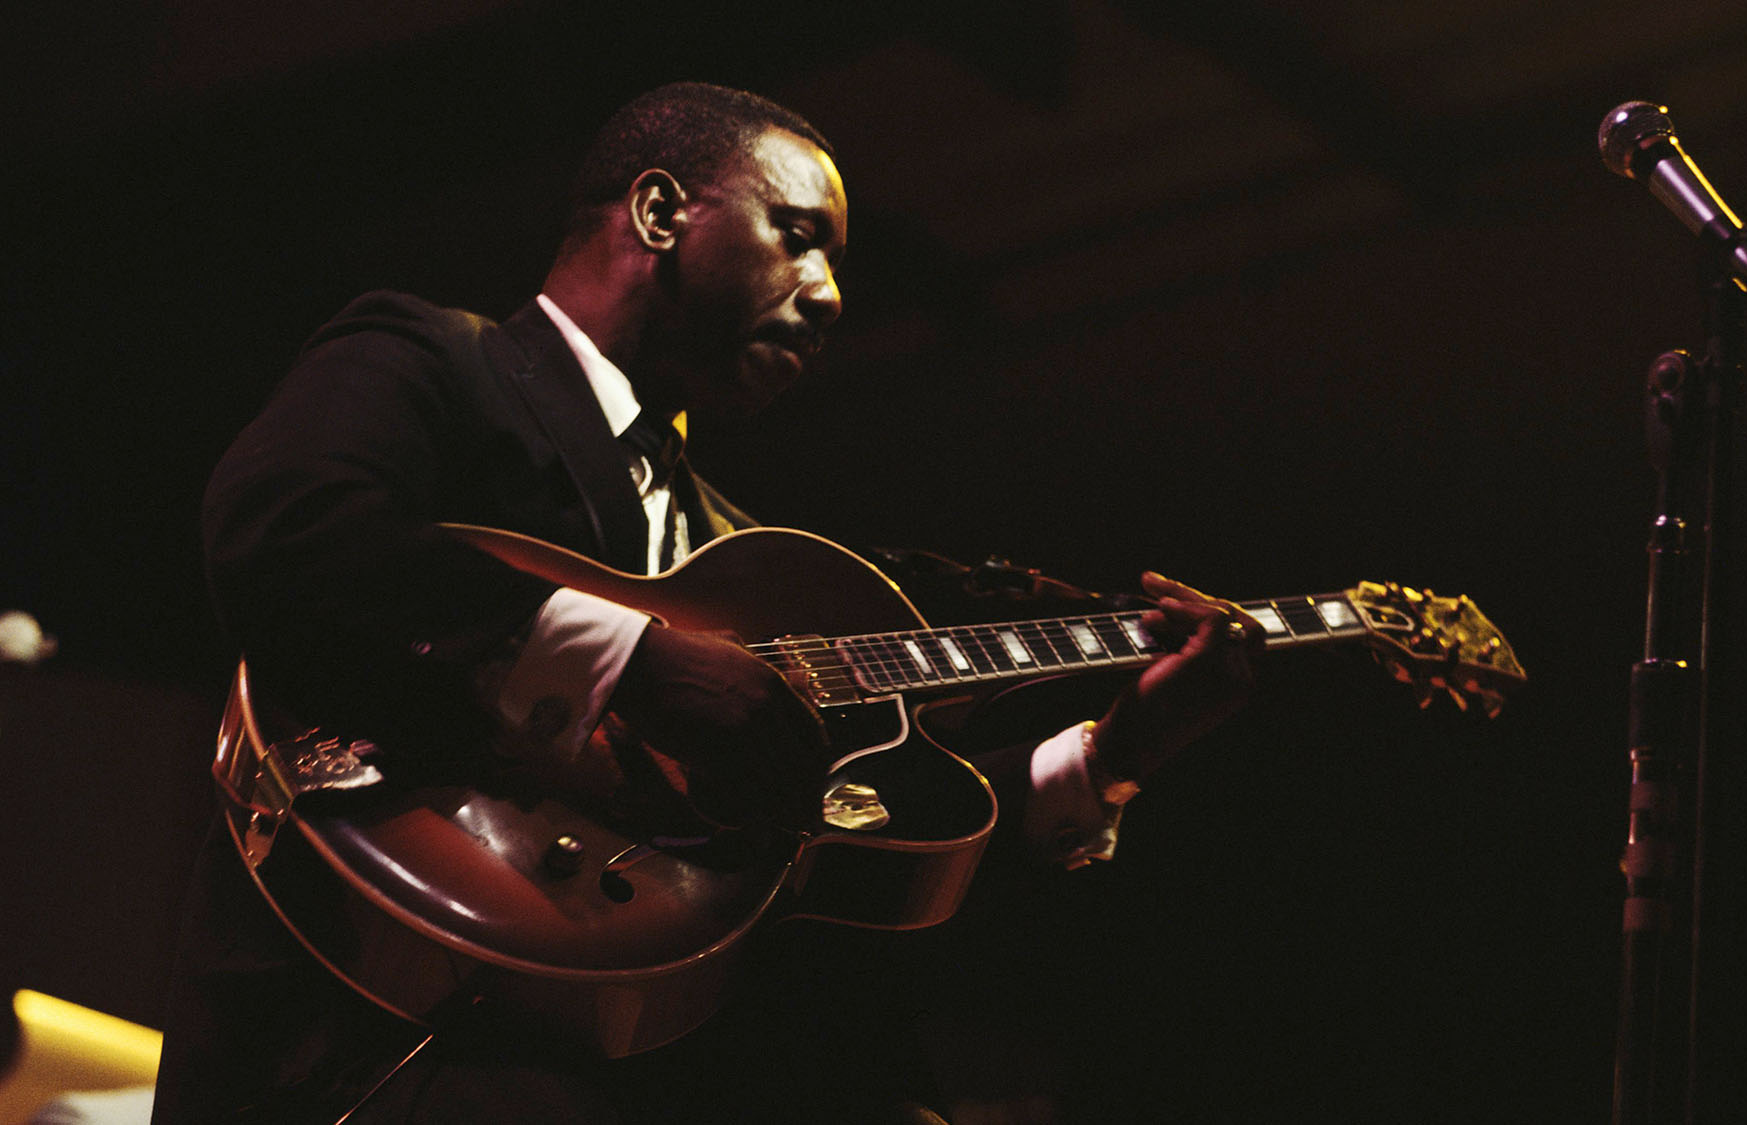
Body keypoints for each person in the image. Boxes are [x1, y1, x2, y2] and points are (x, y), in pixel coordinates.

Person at [156, 82, 1264, 1123]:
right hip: (364, 1058)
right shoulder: (444, 363)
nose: (830, 295)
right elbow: (285, 532)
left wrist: (1117, 753)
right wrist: (632, 663)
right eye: (798, 235)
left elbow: (862, 828)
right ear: (658, 211)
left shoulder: (734, 549)